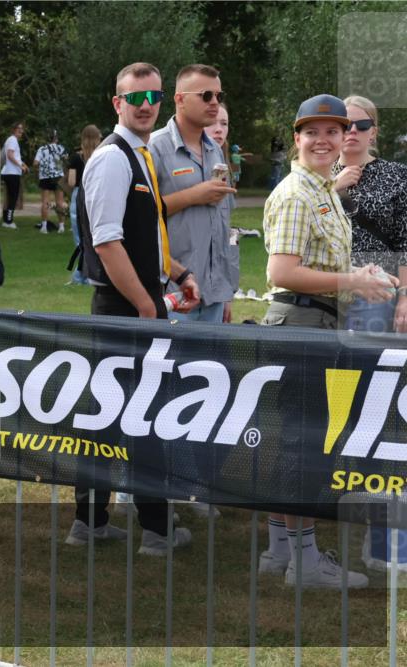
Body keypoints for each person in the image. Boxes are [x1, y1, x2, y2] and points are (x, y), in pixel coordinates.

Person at [258, 93, 394, 588]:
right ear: (296, 137)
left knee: (291, 443)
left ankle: (280, 552)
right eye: (312, 132)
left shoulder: (323, 189)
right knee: (303, 446)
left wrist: (360, 276)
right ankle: (306, 564)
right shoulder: (299, 193)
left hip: (314, 322)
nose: (324, 140)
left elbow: (320, 266)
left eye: (333, 131)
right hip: (301, 323)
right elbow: (283, 271)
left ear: (344, 137)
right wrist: (352, 282)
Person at [68, 62, 199, 556]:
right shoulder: (113, 158)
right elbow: (107, 243)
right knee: (143, 420)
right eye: (135, 98)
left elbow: (145, 236)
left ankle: (91, 523)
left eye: (154, 97)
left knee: (113, 418)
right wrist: (146, 306)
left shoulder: (139, 155)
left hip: (133, 305)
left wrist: (178, 274)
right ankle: (157, 530)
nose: (146, 106)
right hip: (123, 308)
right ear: (117, 103)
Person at [150, 64, 238, 325]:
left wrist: (226, 291)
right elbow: (139, 216)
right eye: (206, 95)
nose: (215, 103)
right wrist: (193, 196)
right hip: (173, 293)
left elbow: (224, 228)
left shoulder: (215, 150)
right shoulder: (154, 148)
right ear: (179, 99)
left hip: (213, 295)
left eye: (219, 96)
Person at [333, 94, 407, 333]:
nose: (353, 130)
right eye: (346, 124)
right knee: (320, 356)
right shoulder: (319, 174)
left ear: (373, 132)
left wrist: (405, 297)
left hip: (376, 287)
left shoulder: (397, 175)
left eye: (363, 125)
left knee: (365, 355)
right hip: (326, 286)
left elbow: (404, 242)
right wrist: (333, 187)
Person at [66, 124, 101, 285]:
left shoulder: (76, 158)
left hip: (79, 195)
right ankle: (87, 274)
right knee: (94, 235)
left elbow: (71, 182)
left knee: (80, 237)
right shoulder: (101, 156)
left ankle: (82, 275)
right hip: (96, 194)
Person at [32, 129, 68, 234]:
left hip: (45, 177)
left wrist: (39, 169)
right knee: (60, 202)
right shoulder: (61, 148)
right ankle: (61, 227)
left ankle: (44, 227)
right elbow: (66, 160)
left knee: (45, 202)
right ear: (56, 138)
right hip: (58, 177)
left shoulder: (42, 149)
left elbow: (35, 163)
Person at [0, 121, 28, 229]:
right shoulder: (12, 140)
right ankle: (9, 222)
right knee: (13, 198)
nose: (21, 130)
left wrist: (23, 164)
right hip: (12, 173)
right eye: (18, 128)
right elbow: (10, 155)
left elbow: (13, 156)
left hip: (8, 172)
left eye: (22, 128)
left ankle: (6, 220)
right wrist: (20, 166)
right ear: (13, 129)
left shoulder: (10, 140)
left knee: (9, 197)